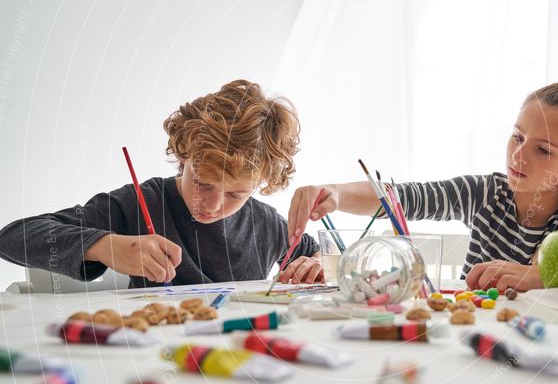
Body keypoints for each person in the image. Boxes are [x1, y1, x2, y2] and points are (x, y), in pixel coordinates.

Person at [286, 69, 558, 291]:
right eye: (517, 137)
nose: (518, 155)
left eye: (543, 150)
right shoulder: (485, 194)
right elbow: (403, 197)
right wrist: (335, 193)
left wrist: (544, 276)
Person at [0, 79, 322, 288]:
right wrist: (105, 247)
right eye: (203, 182)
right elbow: (13, 238)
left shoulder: (264, 224)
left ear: (257, 185)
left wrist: (315, 265)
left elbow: (316, 257)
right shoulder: (141, 203)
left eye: (236, 194)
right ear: (184, 155)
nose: (211, 204)